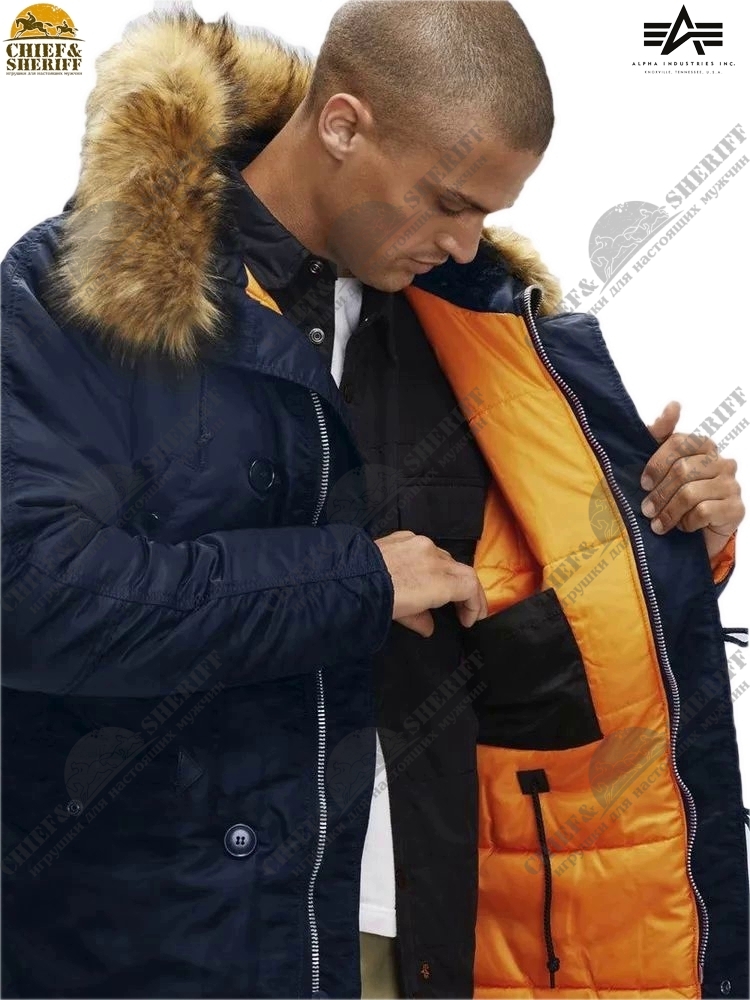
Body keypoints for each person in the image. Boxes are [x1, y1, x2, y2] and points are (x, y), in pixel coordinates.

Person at [1, 3, 746, 998]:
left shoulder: (472, 330)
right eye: (447, 202)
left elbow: (523, 625)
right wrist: (351, 582)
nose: (467, 243)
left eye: (487, 213)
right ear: (343, 125)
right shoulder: (90, 290)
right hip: (157, 947)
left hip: (417, 942)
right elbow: (27, 595)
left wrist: (667, 535)